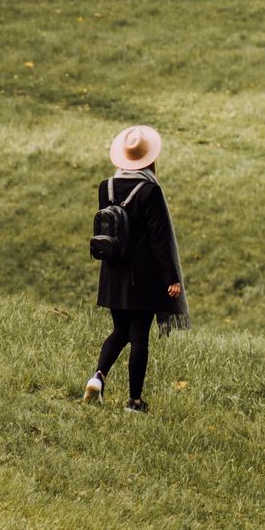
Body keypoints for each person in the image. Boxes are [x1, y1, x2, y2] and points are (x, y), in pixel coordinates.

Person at [84, 123, 189, 412]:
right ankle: (135, 401)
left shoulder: (106, 186)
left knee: (119, 330)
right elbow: (158, 239)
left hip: (113, 272)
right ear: (149, 159)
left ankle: (98, 377)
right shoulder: (150, 191)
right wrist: (171, 278)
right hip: (142, 276)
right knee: (138, 336)